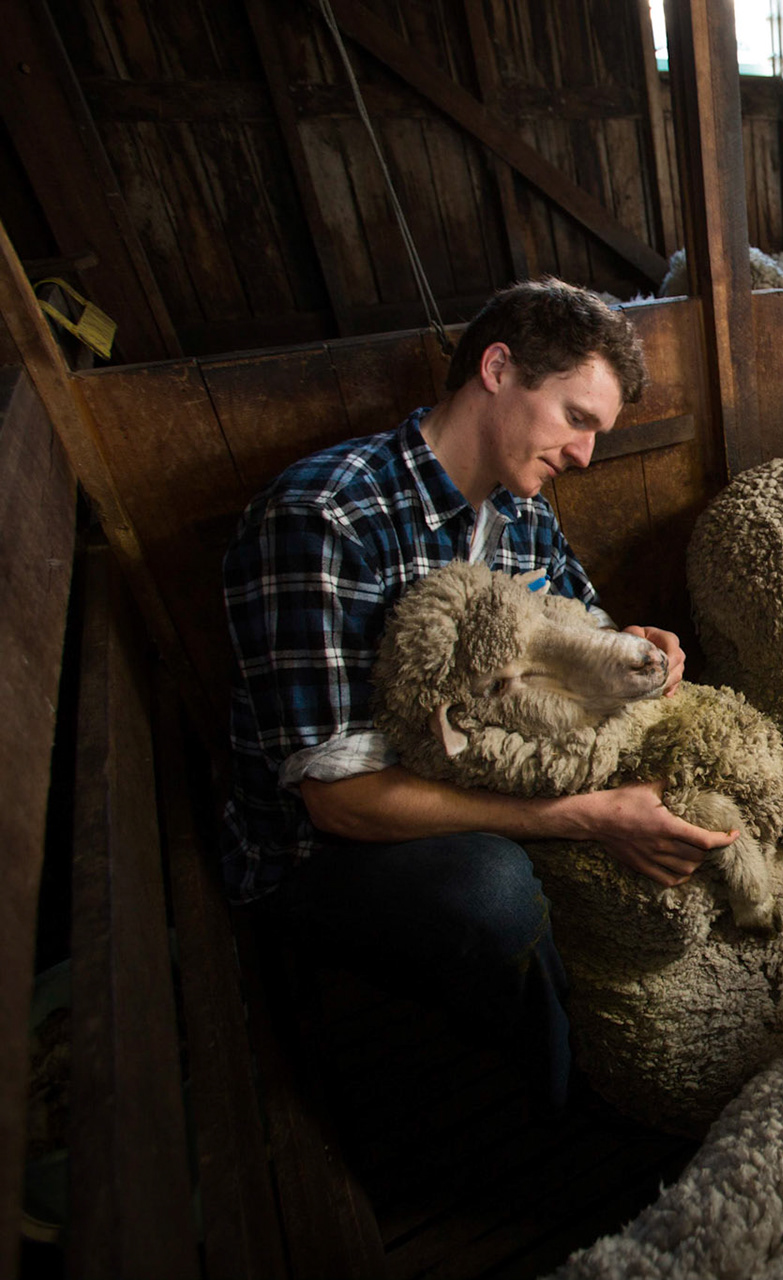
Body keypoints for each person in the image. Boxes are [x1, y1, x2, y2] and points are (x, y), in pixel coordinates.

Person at [221, 278, 738, 1114]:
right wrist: (588, 814)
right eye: (577, 419)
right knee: (492, 893)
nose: (585, 457)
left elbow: (583, 631)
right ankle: (560, 1095)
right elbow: (339, 803)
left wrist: (635, 648)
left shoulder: (522, 510)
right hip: (327, 850)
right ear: (498, 369)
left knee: (685, 771)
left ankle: (657, 1019)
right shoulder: (324, 518)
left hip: (490, 770)